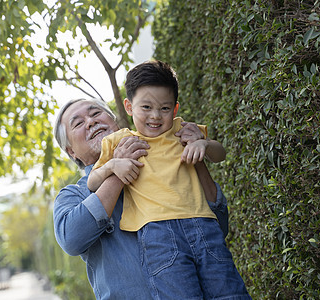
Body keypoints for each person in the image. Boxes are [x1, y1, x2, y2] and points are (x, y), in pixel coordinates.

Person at [86, 60, 250, 299]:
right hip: (158, 235)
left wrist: (202, 143)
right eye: (146, 107)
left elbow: (220, 154)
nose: (155, 116)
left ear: (175, 109)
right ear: (129, 107)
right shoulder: (118, 142)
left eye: (164, 108)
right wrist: (113, 166)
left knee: (229, 293)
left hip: (203, 225)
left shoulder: (183, 130)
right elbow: (92, 183)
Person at [53, 97, 230, 299]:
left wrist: (195, 153)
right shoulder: (73, 195)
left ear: (116, 123)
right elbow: (72, 239)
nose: (91, 122)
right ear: (71, 151)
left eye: (96, 114)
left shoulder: (165, 161)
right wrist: (117, 168)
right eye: (78, 123)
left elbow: (219, 226)